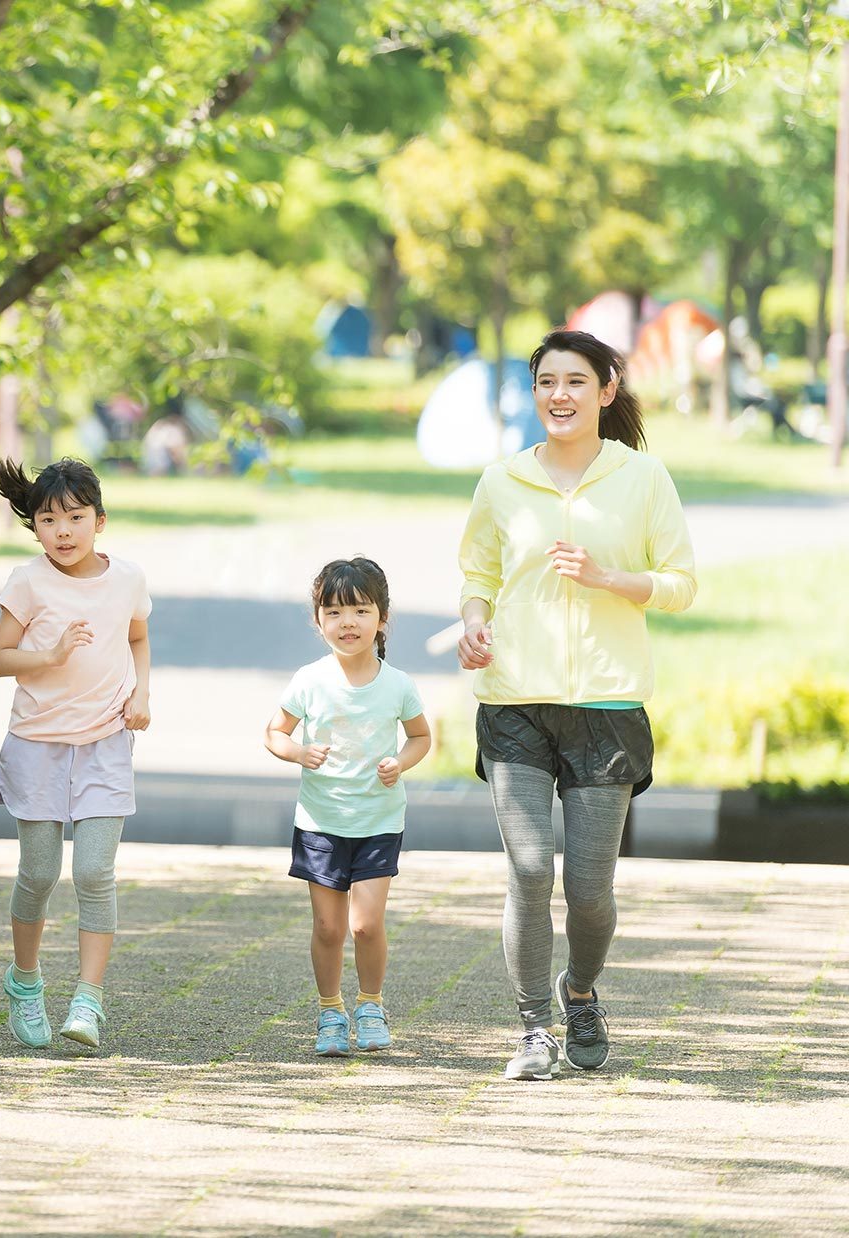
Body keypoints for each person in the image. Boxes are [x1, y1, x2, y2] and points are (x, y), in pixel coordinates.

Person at [457, 328, 697, 1081]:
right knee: (530, 869)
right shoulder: (500, 480)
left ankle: (581, 992)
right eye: (545, 383)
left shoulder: (643, 478)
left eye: (573, 381)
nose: (558, 395)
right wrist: (473, 624)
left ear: (606, 390)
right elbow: (478, 573)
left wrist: (608, 576)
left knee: (589, 891)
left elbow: (682, 584)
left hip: (607, 704)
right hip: (514, 703)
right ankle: (532, 1029)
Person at [0, 457, 151, 1050]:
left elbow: (136, 634)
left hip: (107, 741)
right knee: (38, 874)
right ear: (33, 526)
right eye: (48, 519)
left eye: (75, 518)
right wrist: (50, 656)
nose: (62, 531)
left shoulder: (127, 578)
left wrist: (142, 693)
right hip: (38, 744)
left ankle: (88, 1000)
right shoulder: (27, 581)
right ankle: (26, 983)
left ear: (99, 520)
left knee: (93, 872)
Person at [265, 558, 431, 1056]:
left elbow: (421, 738)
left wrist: (398, 763)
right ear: (319, 621)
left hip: (379, 820)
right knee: (329, 927)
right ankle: (330, 1011)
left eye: (360, 610)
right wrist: (298, 752)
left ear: (382, 619)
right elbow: (275, 732)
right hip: (321, 821)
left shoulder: (397, 683)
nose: (348, 622)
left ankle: (371, 1004)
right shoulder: (309, 680)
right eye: (334, 611)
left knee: (366, 924)